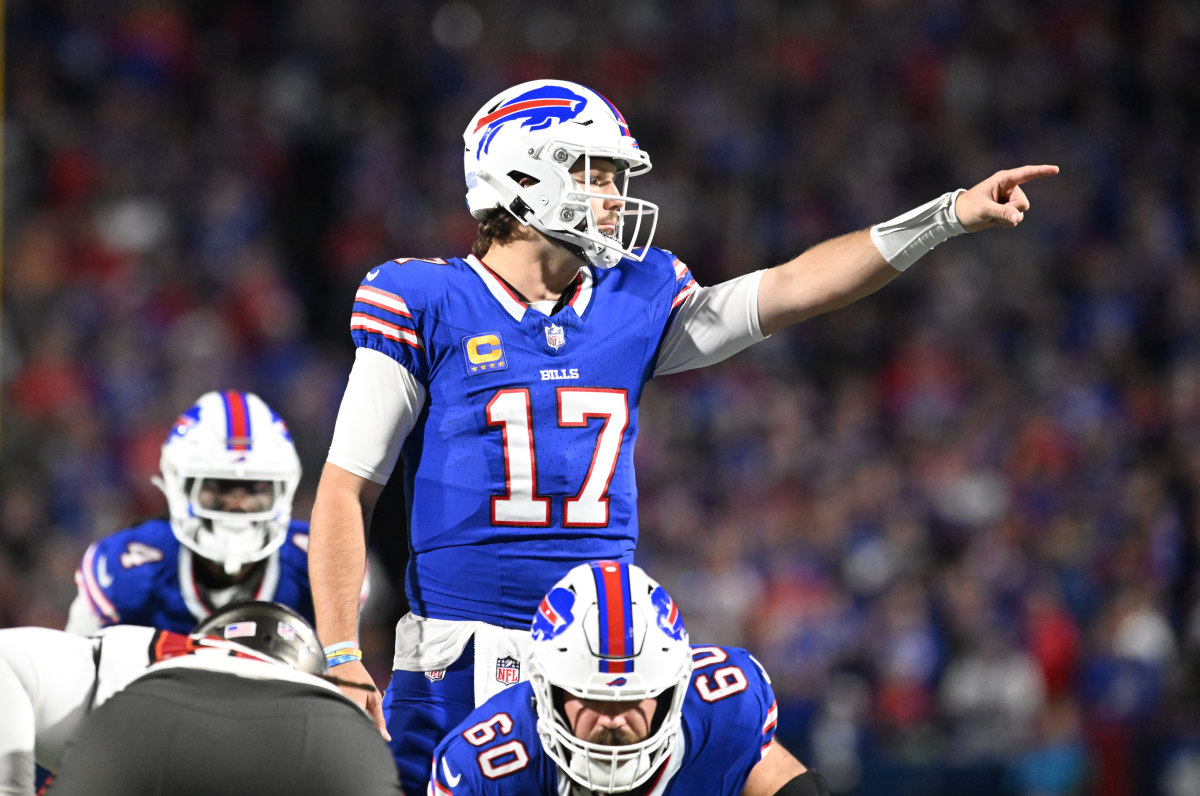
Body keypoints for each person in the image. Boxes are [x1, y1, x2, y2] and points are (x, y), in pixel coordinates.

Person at [306, 77, 1058, 791]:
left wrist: (946, 215)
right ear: (523, 176)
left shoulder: (635, 295)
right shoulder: (424, 298)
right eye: (594, 174)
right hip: (460, 657)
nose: (612, 197)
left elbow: (795, 286)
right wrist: (341, 652)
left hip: (609, 662)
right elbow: (347, 487)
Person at [427, 560, 828, 795]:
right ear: (546, 690)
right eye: (592, 699)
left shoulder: (723, 711)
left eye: (632, 699)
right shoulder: (486, 767)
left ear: (674, 690)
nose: (612, 719)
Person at [0, 601, 403, 795]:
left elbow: (7, 662)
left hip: (146, 718)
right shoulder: (323, 695)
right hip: (335, 740)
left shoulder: (141, 649)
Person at [65, 390, 322, 635]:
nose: (237, 504)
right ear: (180, 486)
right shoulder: (127, 572)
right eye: (217, 487)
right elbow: (79, 672)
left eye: (254, 488)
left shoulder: (319, 565)